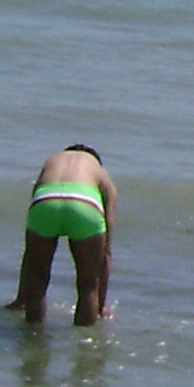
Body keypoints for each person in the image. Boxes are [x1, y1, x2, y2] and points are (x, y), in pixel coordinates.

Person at [11, 139, 114, 324]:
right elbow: (106, 252)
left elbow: (29, 255)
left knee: (37, 278)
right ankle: (85, 339)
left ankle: (32, 335)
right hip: (84, 203)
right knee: (88, 286)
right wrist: (101, 304)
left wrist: (21, 298)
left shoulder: (53, 161)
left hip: (46, 200)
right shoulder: (99, 170)